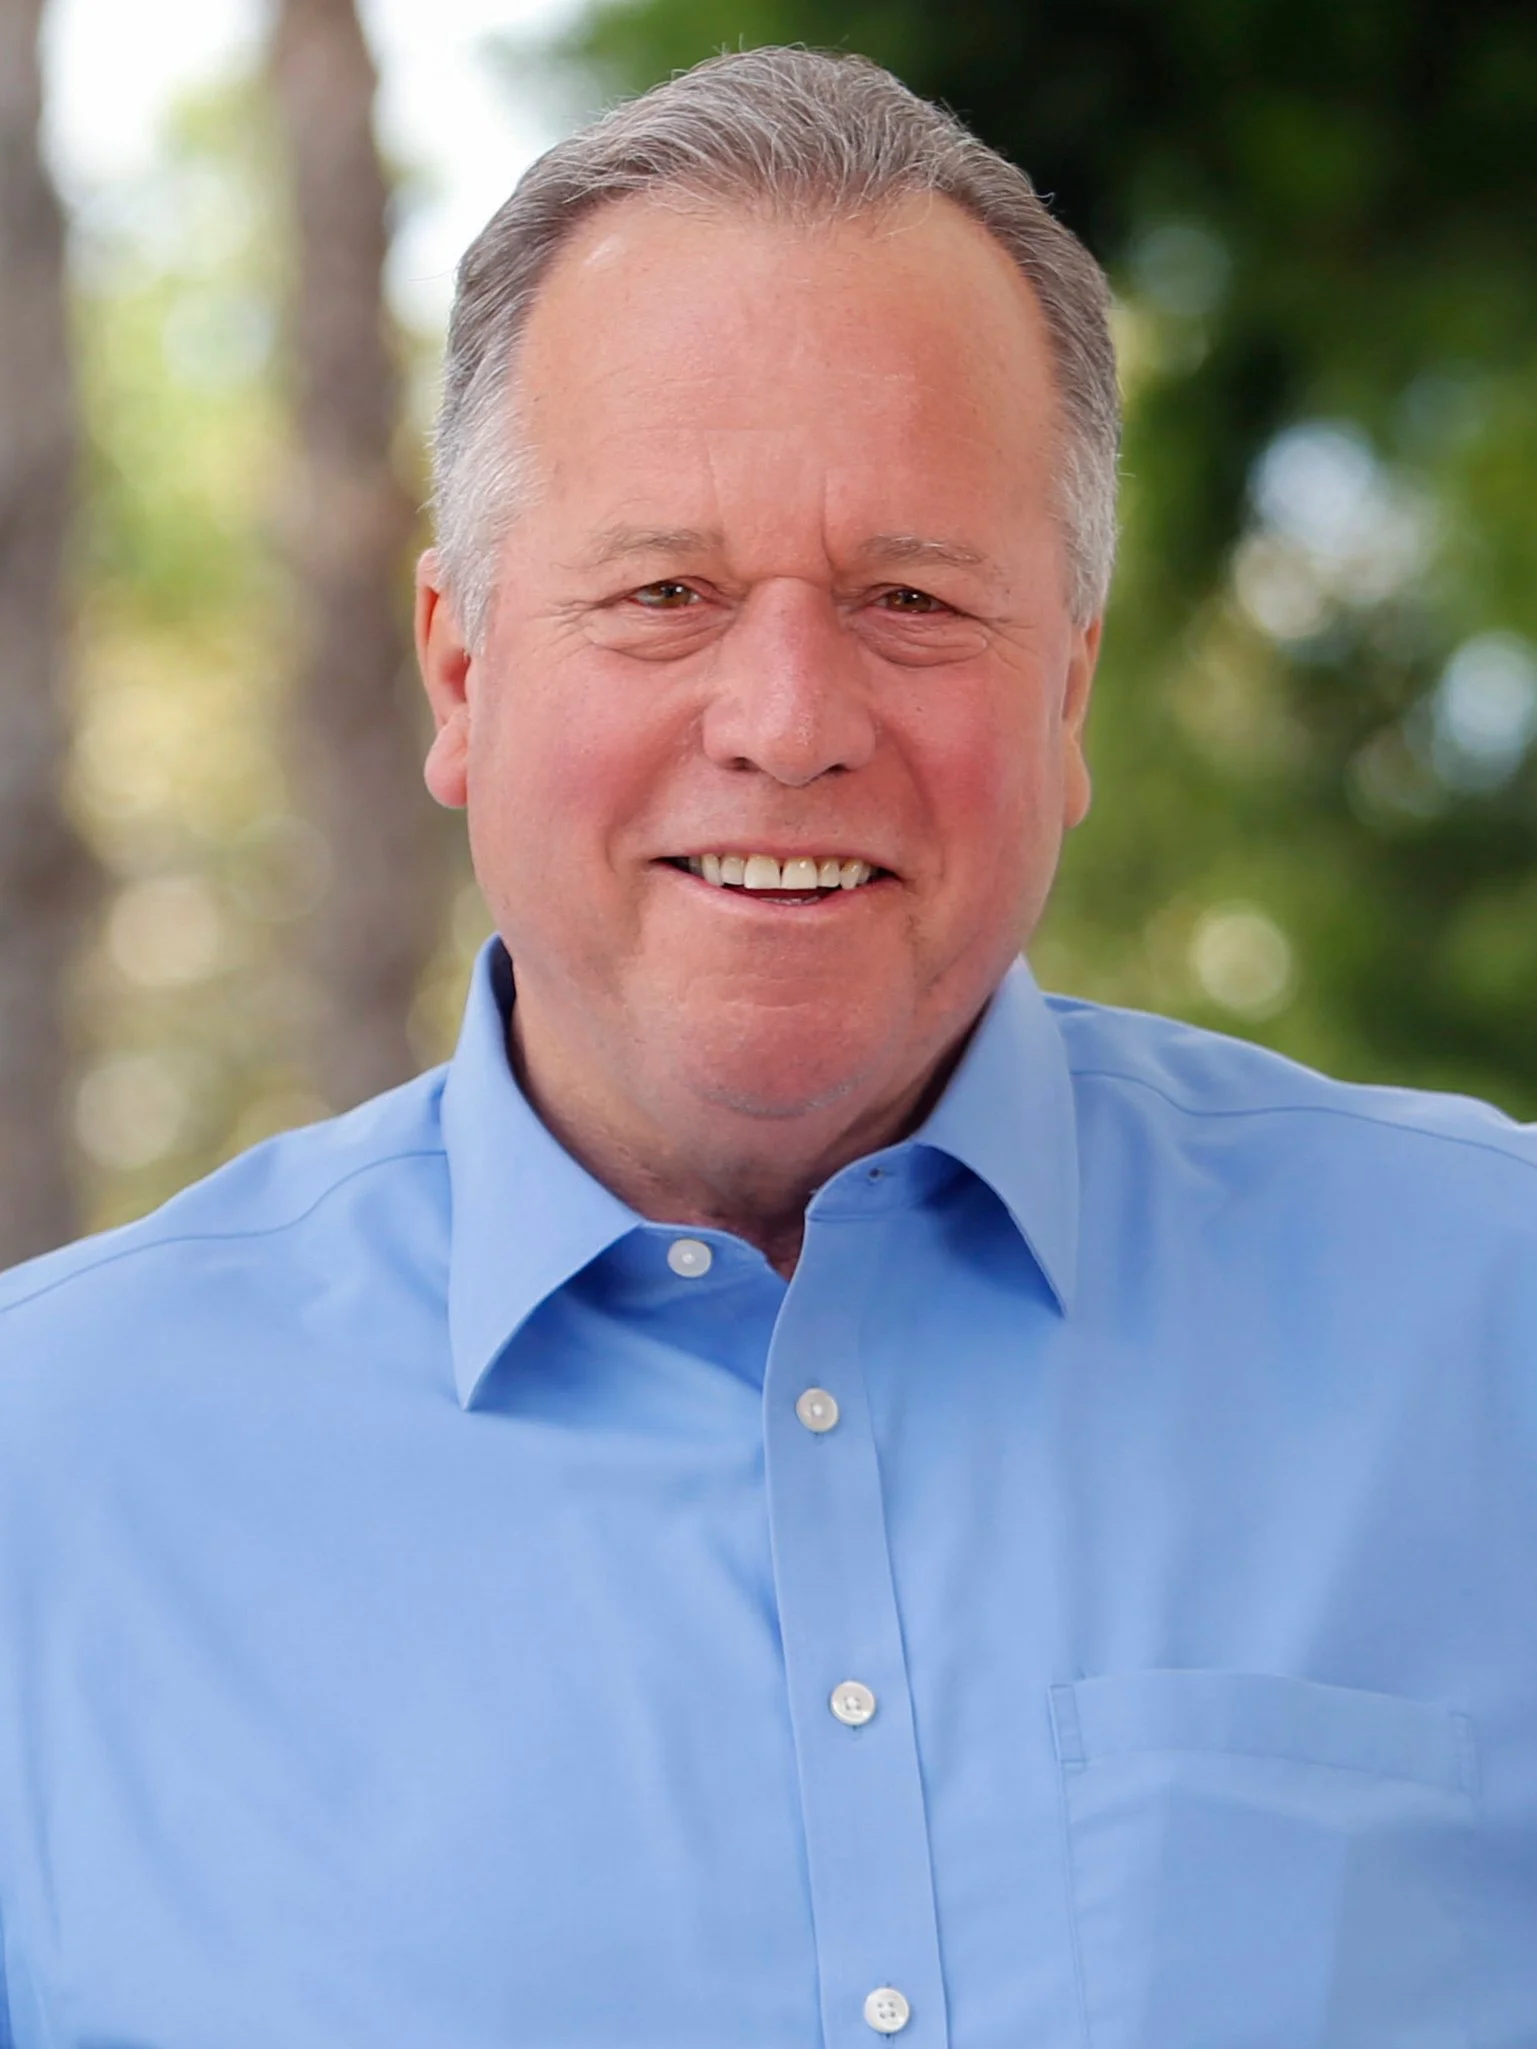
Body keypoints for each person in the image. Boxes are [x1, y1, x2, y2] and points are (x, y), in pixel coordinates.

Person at [0, 43, 1533, 2049]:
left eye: (910, 596)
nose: (791, 715)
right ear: (462, 670)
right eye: (665, 592)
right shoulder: (50, 1484)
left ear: (1068, 692)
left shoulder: (1494, 1322)